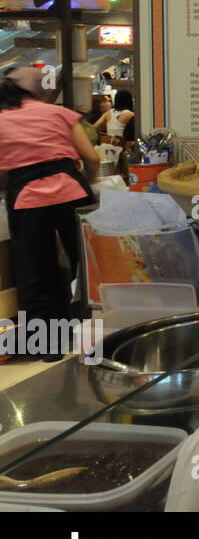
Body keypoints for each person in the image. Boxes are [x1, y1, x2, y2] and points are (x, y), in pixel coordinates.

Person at [0, 67, 99, 360]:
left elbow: (2, 172)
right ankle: (95, 338)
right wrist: (89, 182)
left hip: (28, 199)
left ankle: (49, 347)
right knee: (88, 264)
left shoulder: (2, 120)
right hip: (72, 192)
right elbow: (91, 157)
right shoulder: (58, 113)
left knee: (36, 271)